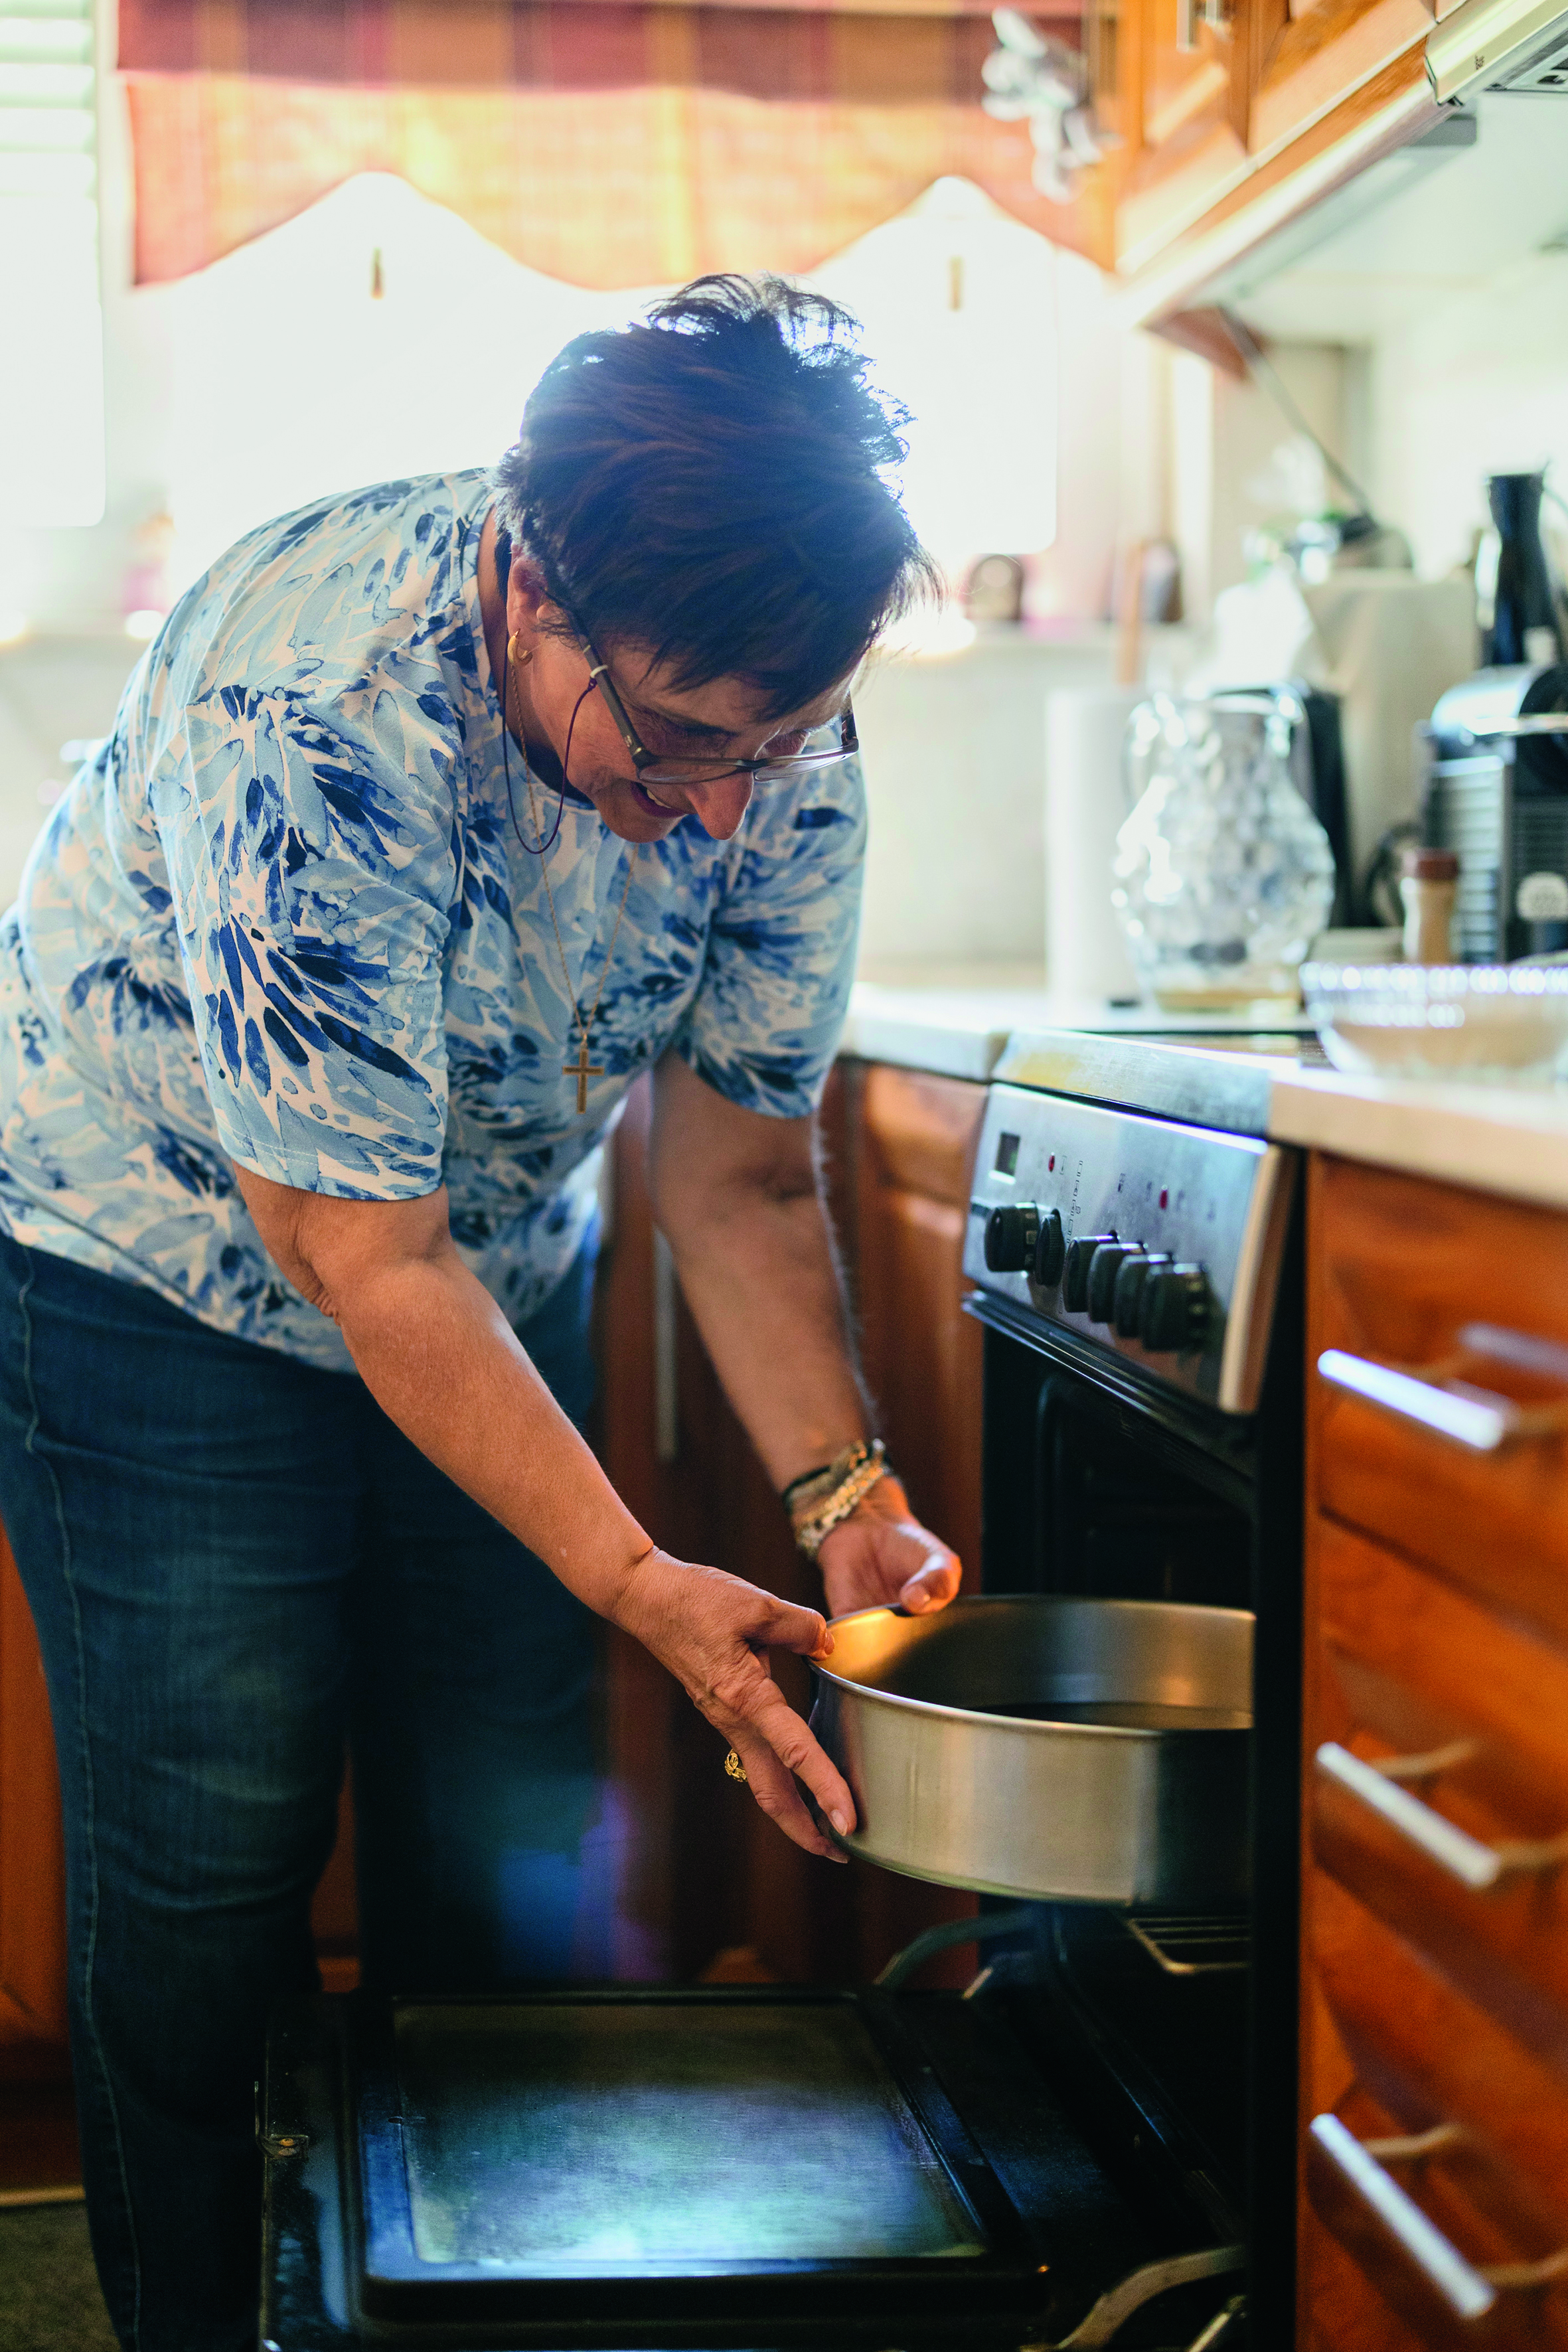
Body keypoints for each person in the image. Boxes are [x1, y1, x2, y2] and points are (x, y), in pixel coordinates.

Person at [0, 275, 963, 2350]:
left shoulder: (776, 719)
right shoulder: (310, 702)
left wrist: (842, 1490)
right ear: (534, 584)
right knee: (214, 1845)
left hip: (488, 1274)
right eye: (685, 741)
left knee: (507, 1827)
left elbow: (731, 1167)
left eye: (773, 744)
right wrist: (641, 1575)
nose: (731, 803)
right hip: (145, 1268)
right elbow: (367, 1256)